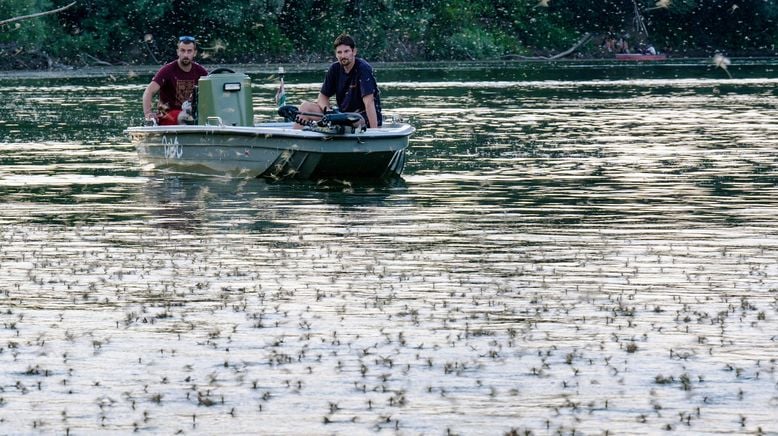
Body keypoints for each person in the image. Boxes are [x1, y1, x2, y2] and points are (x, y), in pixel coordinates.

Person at [297, 34, 382, 129]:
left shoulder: (363, 69)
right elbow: (322, 97)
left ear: (354, 52)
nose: (343, 56)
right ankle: (294, 141)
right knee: (304, 107)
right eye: (339, 52)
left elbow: (369, 102)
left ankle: (336, 127)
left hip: (362, 116)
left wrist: (375, 131)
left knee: (349, 120)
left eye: (346, 51)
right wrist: (328, 111)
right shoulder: (334, 69)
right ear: (336, 54)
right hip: (342, 115)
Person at [142, 36, 208, 125]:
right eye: (182, 50)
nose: (186, 55)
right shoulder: (167, 71)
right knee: (186, 117)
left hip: (191, 115)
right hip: (166, 115)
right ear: (178, 52)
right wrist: (148, 114)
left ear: (194, 53)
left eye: (189, 51)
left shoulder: (201, 72)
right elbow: (148, 91)